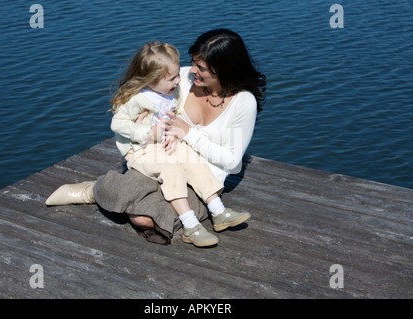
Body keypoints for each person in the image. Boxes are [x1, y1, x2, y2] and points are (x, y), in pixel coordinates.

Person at [45, 29, 266, 246]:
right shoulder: (182, 78)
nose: (191, 70)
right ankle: (95, 190)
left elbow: (230, 160)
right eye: (193, 62)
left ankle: (116, 191)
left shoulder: (243, 103)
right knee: (140, 191)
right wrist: (142, 125)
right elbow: (138, 95)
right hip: (161, 156)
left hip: (203, 177)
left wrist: (188, 133)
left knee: (144, 218)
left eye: (201, 67)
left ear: (224, 70)